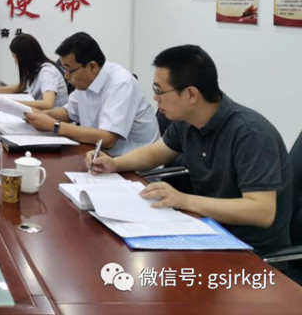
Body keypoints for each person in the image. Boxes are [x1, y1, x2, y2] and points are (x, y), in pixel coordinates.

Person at [88, 45, 293, 256]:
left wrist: (184, 200)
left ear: (191, 94)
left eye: (159, 90)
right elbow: (153, 154)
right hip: (206, 230)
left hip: (251, 252)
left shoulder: (250, 133)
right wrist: (114, 163)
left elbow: (262, 212)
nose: (155, 98)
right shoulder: (186, 122)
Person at [26, 32, 159, 155]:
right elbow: (69, 112)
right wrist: (39, 115)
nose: (66, 76)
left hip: (135, 165)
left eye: (69, 70)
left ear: (92, 67)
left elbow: (108, 139)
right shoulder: (86, 82)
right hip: (100, 157)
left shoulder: (121, 83)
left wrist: (54, 126)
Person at [0, 33, 69, 110]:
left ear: (24, 57)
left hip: (54, 119)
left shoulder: (47, 72)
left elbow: (48, 104)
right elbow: (22, 86)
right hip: (41, 115)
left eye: (15, 58)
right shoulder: (35, 68)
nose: (15, 62)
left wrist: (14, 103)